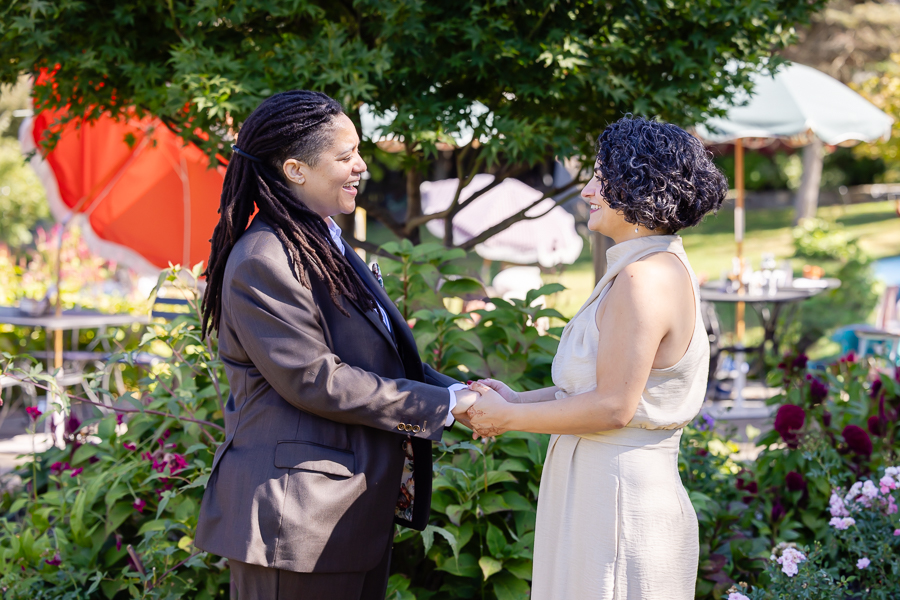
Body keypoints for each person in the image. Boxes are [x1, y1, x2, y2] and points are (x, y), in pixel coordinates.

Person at [194, 90, 479, 600]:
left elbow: (381, 354)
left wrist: (460, 391)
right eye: (345, 156)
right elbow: (317, 380)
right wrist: (449, 407)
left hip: (342, 521)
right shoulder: (265, 258)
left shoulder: (321, 240)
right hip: (296, 524)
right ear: (296, 170)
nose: (361, 166)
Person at [465, 116, 727, 599]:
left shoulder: (643, 279)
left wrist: (509, 420)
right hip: (598, 490)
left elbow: (613, 407)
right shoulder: (647, 266)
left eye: (600, 178)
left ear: (638, 185)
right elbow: (597, 389)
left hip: (617, 501)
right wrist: (516, 401)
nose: (586, 191)